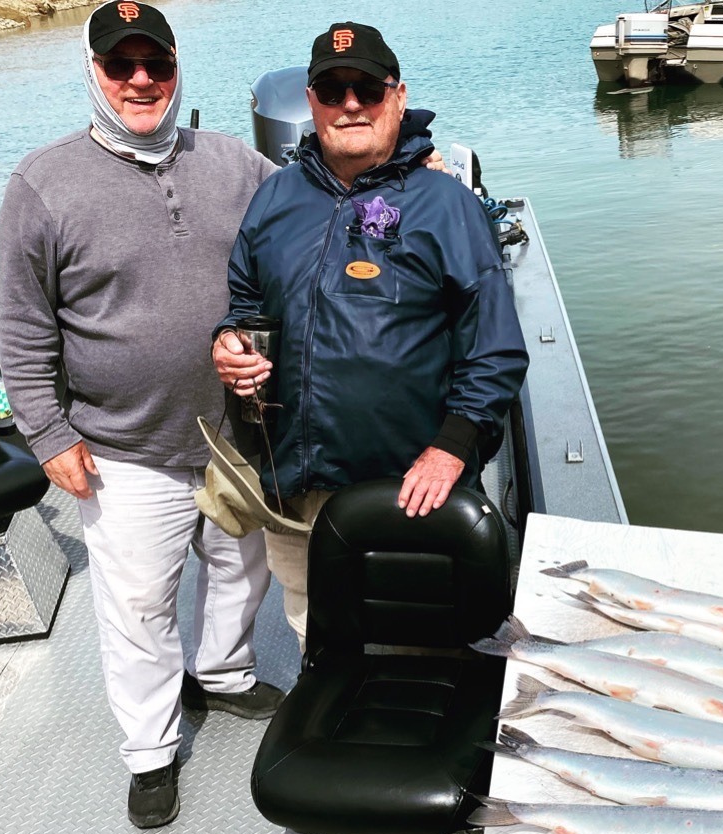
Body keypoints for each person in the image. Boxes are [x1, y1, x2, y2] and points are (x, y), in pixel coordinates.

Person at [0, 2, 288, 830]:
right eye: (120, 66)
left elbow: (303, 239)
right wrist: (48, 434)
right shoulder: (41, 184)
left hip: (235, 430)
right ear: (93, 73)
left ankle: (224, 674)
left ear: (176, 64)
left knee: (239, 570)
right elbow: (17, 321)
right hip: (119, 444)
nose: (140, 81)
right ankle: (152, 750)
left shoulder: (236, 163)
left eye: (154, 63)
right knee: (140, 605)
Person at [211, 22, 529, 651]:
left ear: (398, 96)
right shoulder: (273, 197)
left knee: (416, 643)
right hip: (296, 487)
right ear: (311, 102)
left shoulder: (446, 205)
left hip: (409, 490)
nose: (350, 103)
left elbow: (493, 349)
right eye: (333, 89)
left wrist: (452, 449)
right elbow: (245, 304)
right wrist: (227, 343)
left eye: (367, 88)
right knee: (319, 635)